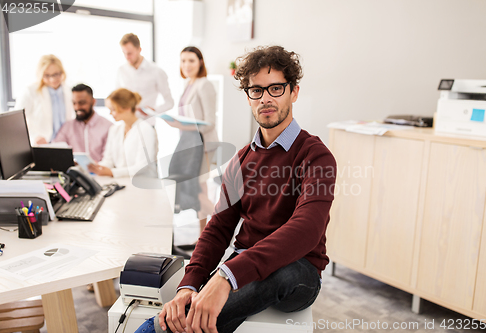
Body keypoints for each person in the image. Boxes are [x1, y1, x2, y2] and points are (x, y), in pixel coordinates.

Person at [135, 45, 337, 333]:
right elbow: (218, 228)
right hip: (244, 264)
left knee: (280, 271)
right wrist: (189, 284)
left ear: (294, 92)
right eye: (256, 90)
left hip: (298, 273)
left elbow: (306, 230)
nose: (266, 98)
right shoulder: (240, 160)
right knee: (204, 293)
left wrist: (226, 276)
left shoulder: (316, 155)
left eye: (276, 88)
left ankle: (160, 330)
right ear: (248, 97)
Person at [164, 46, 219, 233]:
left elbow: (210, 123)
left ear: (200, 62)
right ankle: (203, 237)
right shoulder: (189, 84)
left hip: (203, 146)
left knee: (198, 191)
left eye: (191, 60)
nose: (186, 65)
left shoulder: (205, 84)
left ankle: (226, 224)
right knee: (198, 190)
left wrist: (179, 125)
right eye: (183, 60)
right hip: (190, 144)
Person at [88, 88, 157, 178]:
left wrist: (112, 172)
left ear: (127, 108)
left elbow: (142, 168)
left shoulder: (145, 130)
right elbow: (108, 160)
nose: (110, 113)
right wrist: (98, 167)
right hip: (121, 182)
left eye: (113, 109)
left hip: (143, 184)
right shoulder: (114, 129)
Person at [13, 54, 75, 145]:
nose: (52, 79)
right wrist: (33, 137)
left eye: (56, 74)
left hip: (64, 144)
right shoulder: (31, 91)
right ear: (40, 75)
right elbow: (16, 121)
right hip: (42, 144)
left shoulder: (68, 91)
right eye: (47, 75)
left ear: (62, 72)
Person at [116, 33, 174, 119]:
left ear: (139, 49)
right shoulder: (121, 70)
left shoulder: (156, 71)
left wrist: (154, 110)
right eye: (124, 53)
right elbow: (117, 98)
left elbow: (169, 102)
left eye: (129, 53)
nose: (127, 57)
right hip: (127, 125)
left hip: (147, 124)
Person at [53, 84, 113, 163]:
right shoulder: (68, 126)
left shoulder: (108, 127)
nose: (77, 107)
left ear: (93, 102)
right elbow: (56, 149)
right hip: (72, 172)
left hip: (100, 173)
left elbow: (109, 159)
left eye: (82, 103)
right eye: (74, 103)